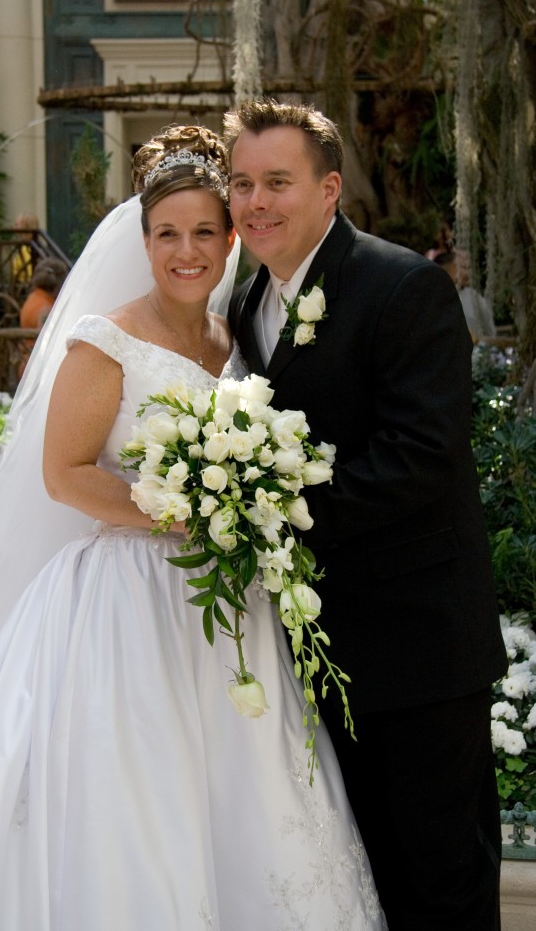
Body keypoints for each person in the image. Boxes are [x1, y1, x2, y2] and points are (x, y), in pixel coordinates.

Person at [0, 125, 385, 930]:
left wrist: (236, 511)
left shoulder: (236, 338)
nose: (188, 250)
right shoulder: (105, 340)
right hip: (123, 602)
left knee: (242, 784)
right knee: (134, 789)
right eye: (168, 233)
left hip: (223, 601)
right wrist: (181, 511)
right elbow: (62, 474)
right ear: (142, 241)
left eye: (206, 231)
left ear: (230, 237)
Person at [224, 99, 508, 931]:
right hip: (315, 654)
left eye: (278, 181)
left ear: (330, 189)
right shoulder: (248, 302)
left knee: (441, 882)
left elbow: (420, 456)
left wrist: (272, 520)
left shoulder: (403, 286)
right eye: (242, 183)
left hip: (417, 649)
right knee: (359, 883)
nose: (255, 202)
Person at [18, 257, 69, 377]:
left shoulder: (32, 299)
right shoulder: (46, 309)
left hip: (25, 362)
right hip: (37, 369)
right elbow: (47, 345)